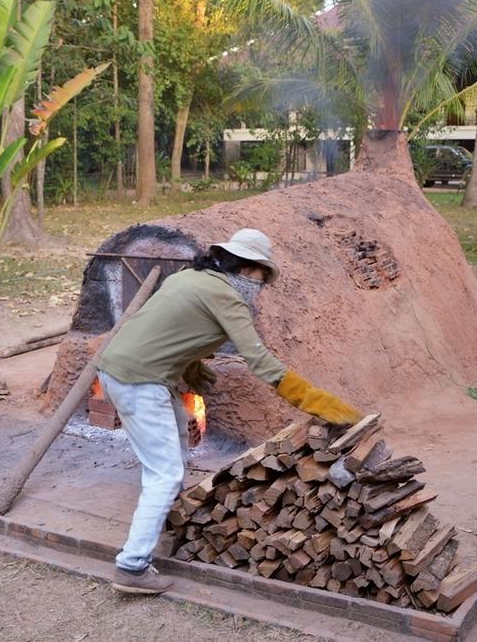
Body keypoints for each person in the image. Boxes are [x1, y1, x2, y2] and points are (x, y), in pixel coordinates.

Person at [97, 228, 363, 595]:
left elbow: (170, 329)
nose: (260, 288)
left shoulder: (188, 278)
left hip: (119, 370)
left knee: (174, 450)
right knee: (165, 473)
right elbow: (260, 360)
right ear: (248, 268)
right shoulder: (228, 297)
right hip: (141, 382)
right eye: (261, 279)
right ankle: (132, 566)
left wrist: (190, 366)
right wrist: (312, 399)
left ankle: (169, 520)